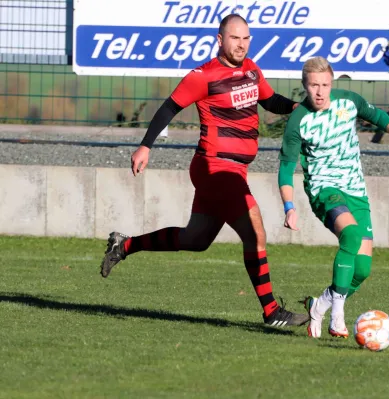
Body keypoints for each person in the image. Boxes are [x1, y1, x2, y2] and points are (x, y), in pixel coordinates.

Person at [100, 14, 309, 328]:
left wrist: (296, 107)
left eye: (246, 38)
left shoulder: (251, 69)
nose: (241, 44)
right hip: (216, 169)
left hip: (233, 171)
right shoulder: (203, 76)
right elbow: (169, 107)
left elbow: (270, 100)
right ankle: (271, 311)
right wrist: (146, 146)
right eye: (235, 38)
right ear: (220, 39)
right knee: (257, 234)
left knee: (196, 239)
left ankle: (125, 245)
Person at [277, 57, 389, 338]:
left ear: (332, 84)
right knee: (350, 236)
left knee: (362, 270)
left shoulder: (348, 101)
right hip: (324, 190)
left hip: (356, 190)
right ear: (305, 85)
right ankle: (337, 317)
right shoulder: (298, 120)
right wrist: (289, 207)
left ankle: (319, 306)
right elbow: (286, 168)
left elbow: (376, 115)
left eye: (325, 85)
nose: (319, 91)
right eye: (314, 85)